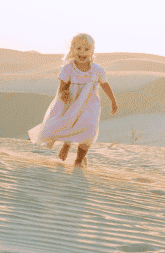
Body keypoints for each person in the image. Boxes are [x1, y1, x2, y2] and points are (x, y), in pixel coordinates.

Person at [28, 33, 118, 167]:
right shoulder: (69, 68)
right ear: (72, 50)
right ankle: (67, 144)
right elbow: (62, 87)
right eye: (78, 48)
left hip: (90, 105)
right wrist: (63, 93)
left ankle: (79, 159)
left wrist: (113, 100)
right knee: (70, 125)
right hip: (71, 103)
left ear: (92, 51)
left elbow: (104, 84)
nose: (82, 53)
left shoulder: (97, 70)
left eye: (86, 49)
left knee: (89, 129)